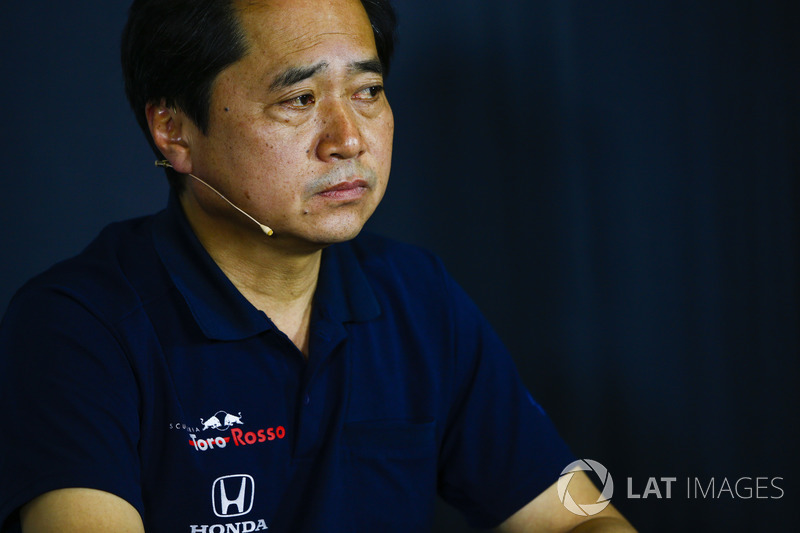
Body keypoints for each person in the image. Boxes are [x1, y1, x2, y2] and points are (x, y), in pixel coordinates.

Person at [0, 0, 635, 531]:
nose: (349, 138)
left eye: (368, 91)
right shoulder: (78, 327)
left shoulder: (416, 296)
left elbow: (574, 517)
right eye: (299, 99)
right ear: (174, 129)